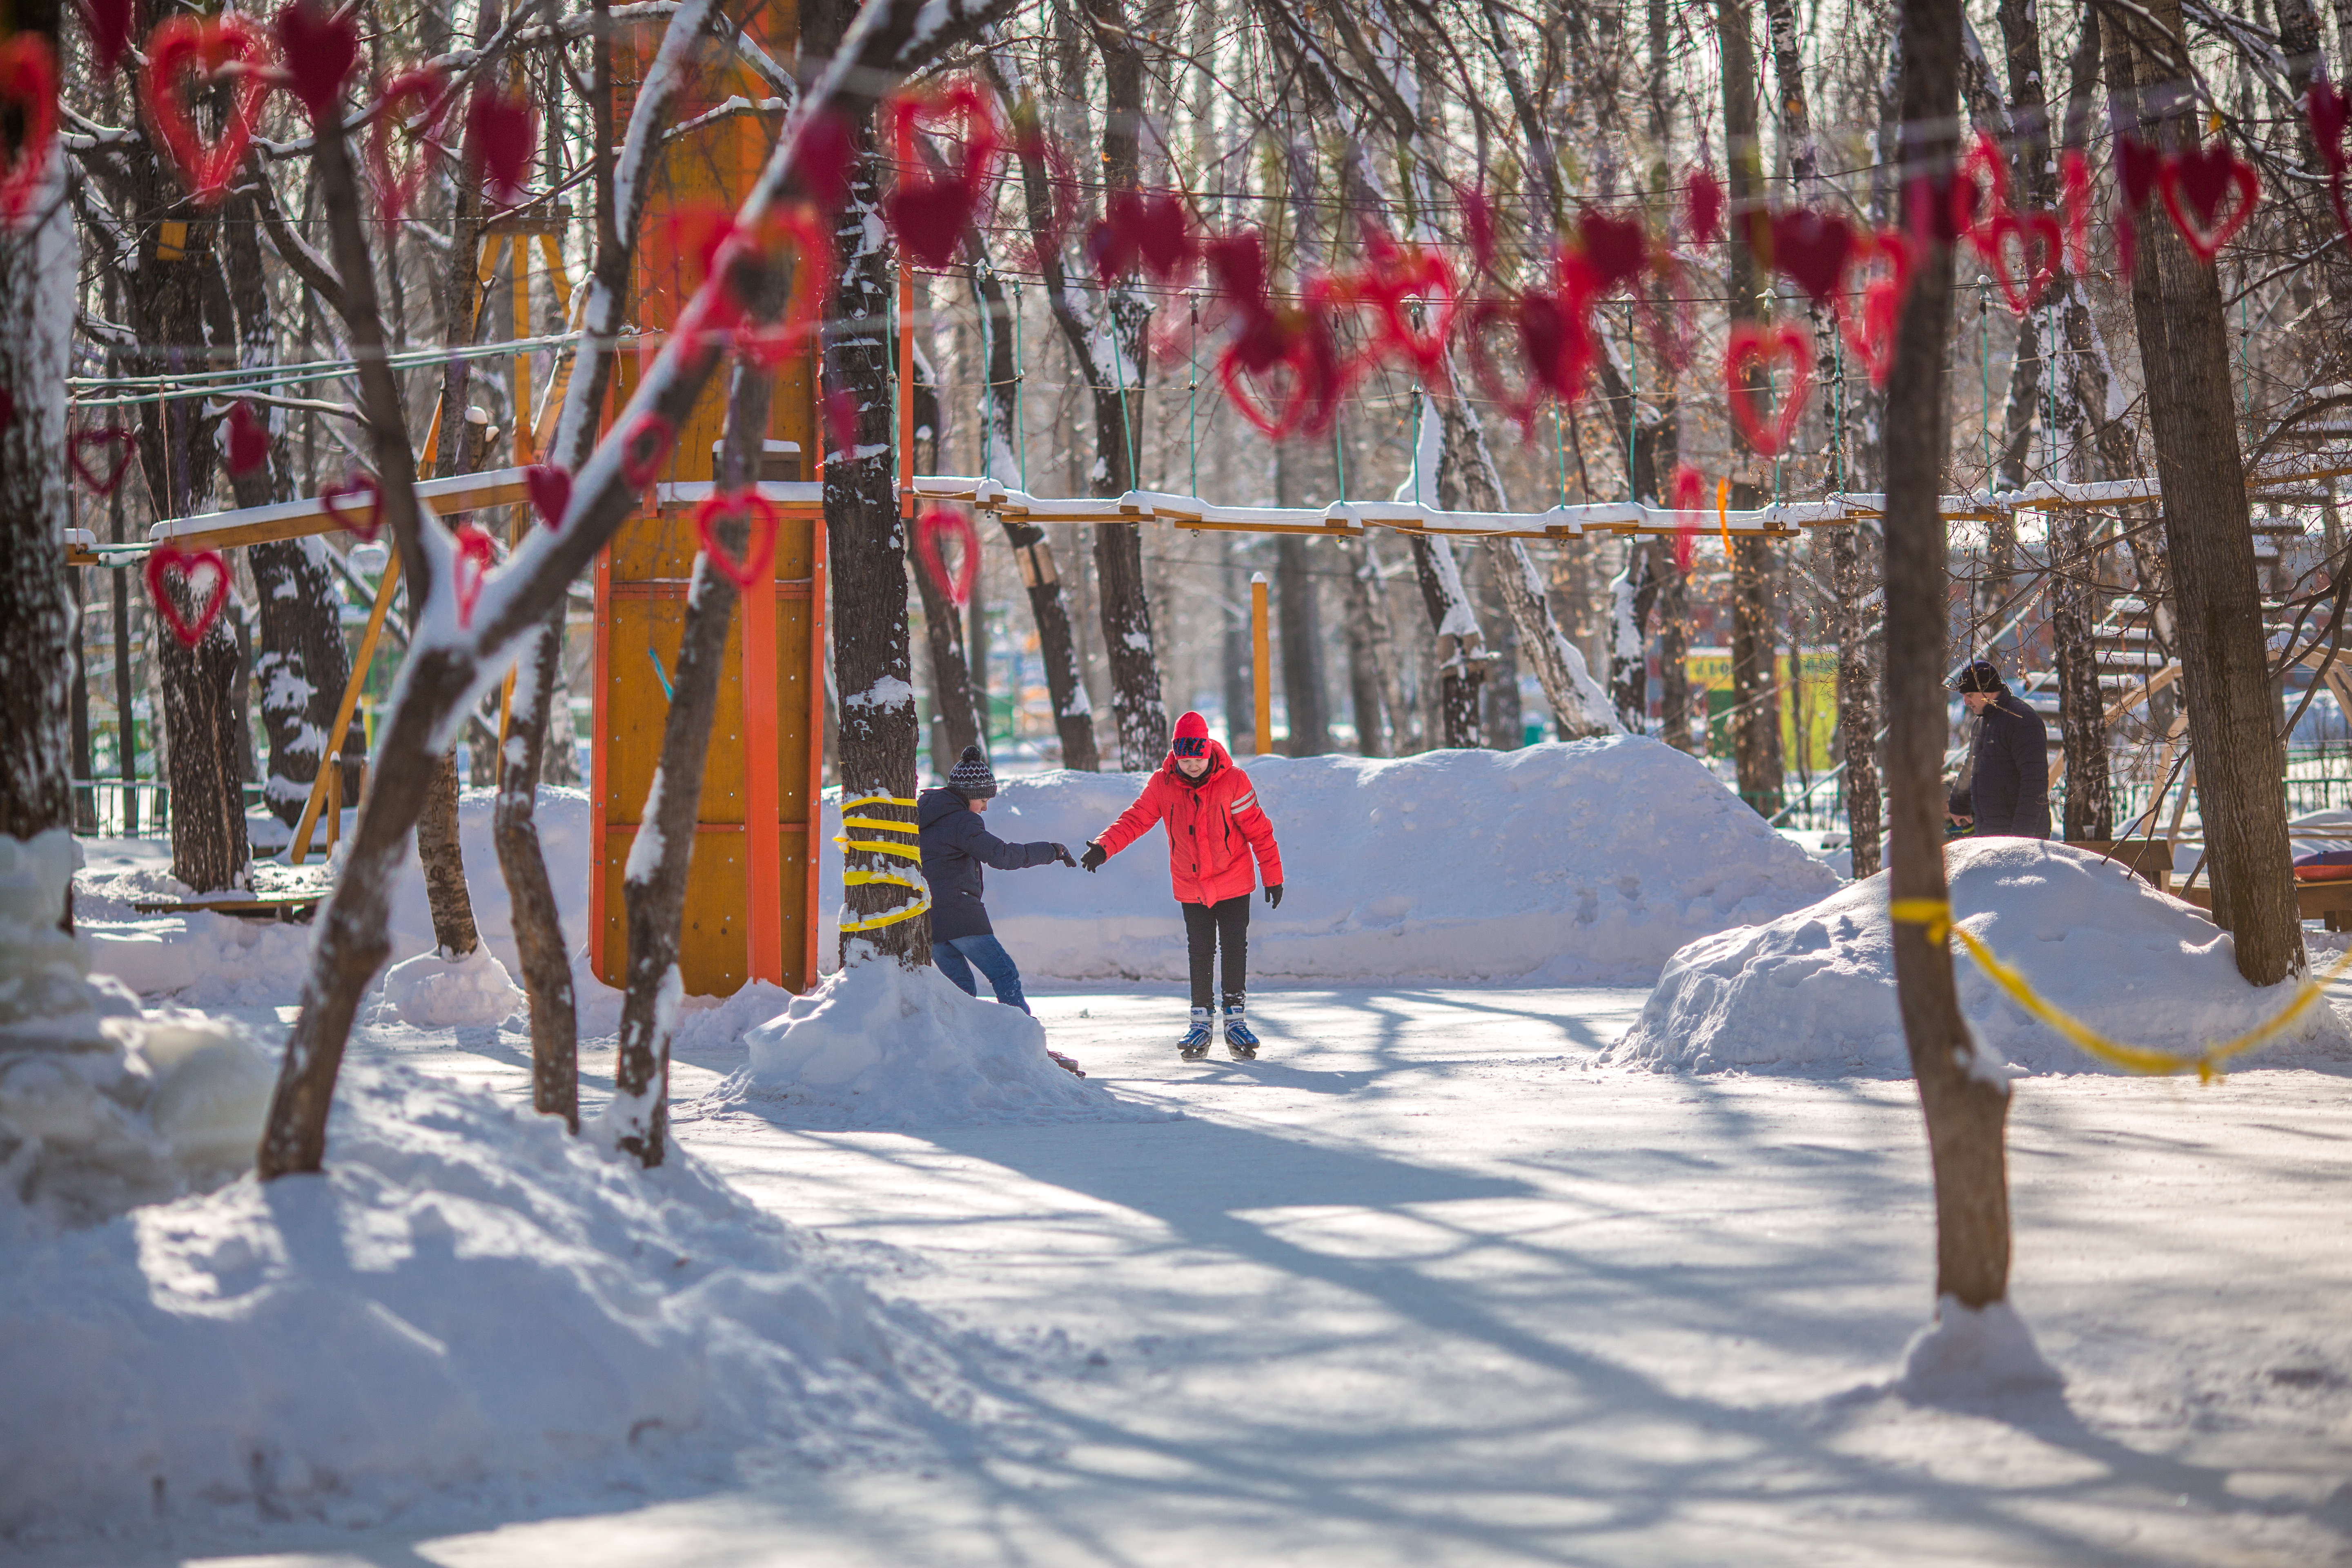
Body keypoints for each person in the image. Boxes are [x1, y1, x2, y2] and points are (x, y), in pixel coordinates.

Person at [1079, 710, 1283, 1060]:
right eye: (1186, 758)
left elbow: (1259, 830)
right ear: (1176, 754)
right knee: (1200, 951)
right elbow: (1136, 818)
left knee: (1235, 949)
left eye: (1198, 757)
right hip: (1191, 885)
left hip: (1234, 881)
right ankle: (1200, 1020)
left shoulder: (1234, 781)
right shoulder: (1163, 784)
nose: (1193, 765)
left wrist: (1273, 876)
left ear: (1208, 751)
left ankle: (1236, 1020)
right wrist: (1104, 846)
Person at [917, 744, 1074, 1013]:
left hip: (930, 918)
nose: (986, 808)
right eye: (984, 800)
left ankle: (963, 1044)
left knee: (960, 988)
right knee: (1004, 974)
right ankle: (1024, 1044)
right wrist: (1051, 850)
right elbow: (1003, 856)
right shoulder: (962, 821)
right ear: (971, 795)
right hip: (959, 913)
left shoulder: (925, 815)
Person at [1947, 659, 2051, 841]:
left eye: (1970, 694)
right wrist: (1958, 804)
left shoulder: (2022, 720)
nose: (1966, 702)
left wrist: (2021, 837)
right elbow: (1972, 765)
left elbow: (2035, 783)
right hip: (1991, 832)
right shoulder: (1981, 723)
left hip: (2022, 835)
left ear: (1986, 689)